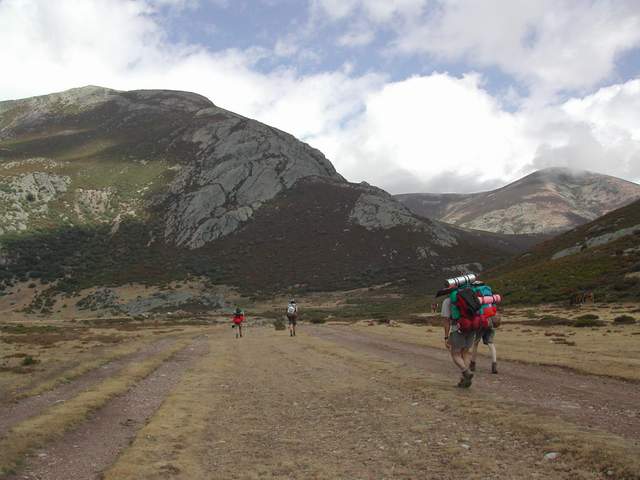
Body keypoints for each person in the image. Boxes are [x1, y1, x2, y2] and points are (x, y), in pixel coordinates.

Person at [441, 295, 475, 388]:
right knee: (465, 353)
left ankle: (466, 371)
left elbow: (446, 320)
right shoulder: (470, 296)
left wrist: (446, 337)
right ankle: (464, 380)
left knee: (455, 354)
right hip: (472, 327)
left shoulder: (447, 301)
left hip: (458, 329)